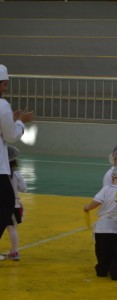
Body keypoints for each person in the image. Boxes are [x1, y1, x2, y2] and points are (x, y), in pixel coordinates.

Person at [0, 64, 34, 261]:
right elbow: (11, 136)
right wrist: (21, 121)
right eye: (4, 84)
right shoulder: (2, 105)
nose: (5, 88)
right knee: (6, 204)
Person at [83, 164, 117, 280]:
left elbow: (96, 202)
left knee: (102, 251)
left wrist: (88, 207)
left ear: (113, 177)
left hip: (103, 228)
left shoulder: (106, 189)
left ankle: (102, 269)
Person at [6, 145, 27, 261]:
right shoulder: (16, 175)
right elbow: (24, 188)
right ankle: (14, 252)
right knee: (12, 229)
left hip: (3, 204)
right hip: (13, 205)